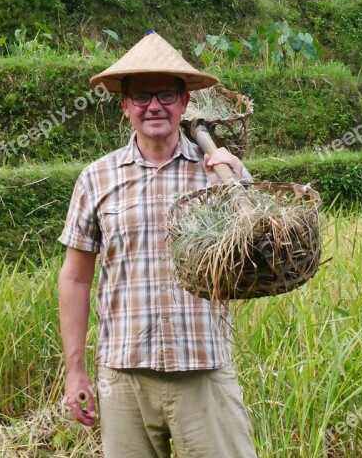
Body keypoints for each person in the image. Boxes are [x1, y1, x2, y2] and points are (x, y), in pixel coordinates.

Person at [57, 32, 257, 458]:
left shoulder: (217, 174)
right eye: (141, 95)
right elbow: (75, 278)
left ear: (185, 103)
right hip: (124, 377)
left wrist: (240, 182)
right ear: (125, 105)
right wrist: (75, 373)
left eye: (165, 93)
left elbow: (263, 249)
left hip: (202, 370)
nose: (154, 105)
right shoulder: (97, 179)